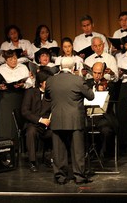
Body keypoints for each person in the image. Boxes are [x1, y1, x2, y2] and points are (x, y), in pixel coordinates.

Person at [46, 57, 94, 185]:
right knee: (77, 150)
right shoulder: (78, 80)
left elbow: (47, 96)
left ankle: (60, 177)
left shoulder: (50, 80)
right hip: (74, 119)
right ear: (73, 68)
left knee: (58, 151)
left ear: (60, 67)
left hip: (57, 119)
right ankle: (79, 176)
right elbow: (91, 96)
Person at [0, 50, 34, 139]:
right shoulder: (0, 69)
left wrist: (23, 84)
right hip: (6, 97)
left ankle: (20, 144)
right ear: (6, 60)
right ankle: (6, 142)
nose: (13, 60)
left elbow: (30, 82)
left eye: (15, 58)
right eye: (10, 59)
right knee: (7, 121)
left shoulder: (23, 67)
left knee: (19, 120)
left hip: (20, 96)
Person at [21, 71, 53, 172]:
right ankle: (33, 162)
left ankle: (51, 158)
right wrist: (39, 120)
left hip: (48, 124)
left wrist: (49, 120)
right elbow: (25, 111)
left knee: (58, 131)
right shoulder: (30, 92)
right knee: (31, 132)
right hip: (33, 123)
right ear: (41, 83)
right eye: (47, 82)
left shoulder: (52, 94)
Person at [85, 62, 117, 158]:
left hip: (103, 117)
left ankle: (102, 154)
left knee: (106, 131)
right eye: (95, 73)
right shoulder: (86, 84)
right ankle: (86, 153)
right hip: (88, 116)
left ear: (103, 73)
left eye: (99, 73)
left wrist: (105, 91)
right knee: (79, 128)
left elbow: (112, 100)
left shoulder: (109, 85)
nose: (97, 76)